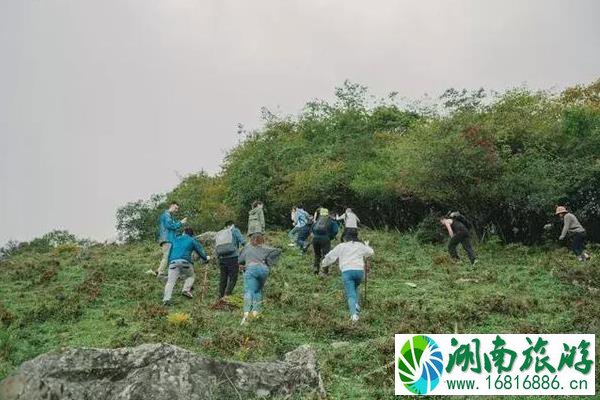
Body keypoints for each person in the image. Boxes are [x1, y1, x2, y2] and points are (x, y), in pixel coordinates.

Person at [321, 230, 374, 322]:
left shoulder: (341, 246)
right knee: (355, 288)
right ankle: (356, 305)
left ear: (346, 237)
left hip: (347, 272)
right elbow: (370, 252)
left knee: (350, 295)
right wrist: (366, 245)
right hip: (359, 272)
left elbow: (331, 256)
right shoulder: (360, 245)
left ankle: (354, 316)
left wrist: (324, 263)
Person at [238, 233, 282, 325]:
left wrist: (243, 264)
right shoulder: (265, 247)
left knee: (249, 291)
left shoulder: (247, 247)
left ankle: (246, 315)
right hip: (264, 269)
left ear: (251, 239)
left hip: (251, 268)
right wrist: (268, 261)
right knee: (258, 291)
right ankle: (255, 314)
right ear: (261, 239)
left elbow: (240, 260)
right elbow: (278, 251)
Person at [162, 228, 208, 306]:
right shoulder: (191, 239)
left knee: (170, 282)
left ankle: (166, 299)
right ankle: (186, 290)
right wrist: (206, 258)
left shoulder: (175, 239)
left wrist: (169, 264)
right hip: (185, 262)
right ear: (191, 234)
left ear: (184, 232)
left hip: (172, 262)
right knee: (191, 276)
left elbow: (169, 253)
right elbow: (199, 250)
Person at [214, 221, 246, 298]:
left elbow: (217, 247)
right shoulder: (235, 230)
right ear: (233, 225)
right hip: (233, 257)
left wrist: (218, 258)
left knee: (223, 278)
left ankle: (220, 296)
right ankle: (227, 296)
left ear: (226, 226)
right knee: (233, 277)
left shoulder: (221, 234)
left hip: (222, 258)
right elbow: (243, 241)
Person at [155, 202, 187, 277]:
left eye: (177, 209)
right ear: (171, 206)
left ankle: (160, 271)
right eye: (175, 208)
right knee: (166, 256)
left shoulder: (169, 216)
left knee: (171, 256)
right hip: (167, 239)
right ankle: (160, 272)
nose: (176, 210)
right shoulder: (166, 215)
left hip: (169, 239)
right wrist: (181, 223)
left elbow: (172, 229)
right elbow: (170, 226)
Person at [311, 208, 339, 275]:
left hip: (315, 239)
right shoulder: (331, 221)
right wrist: (331, 237)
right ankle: (325, 271)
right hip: (325, 239)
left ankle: (316, 268)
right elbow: (335, 230)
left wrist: (315, 235)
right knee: (326, 255)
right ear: (328, 213)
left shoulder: (318, 220)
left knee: (317, 255)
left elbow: (312, 228)